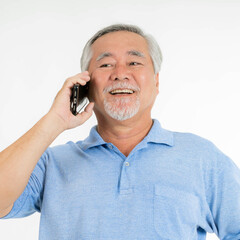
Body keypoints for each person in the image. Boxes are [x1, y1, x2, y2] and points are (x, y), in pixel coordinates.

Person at [0, 24, 240, 240]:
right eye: (105, 64)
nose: (120, 73)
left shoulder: (202, 158)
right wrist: (55, 120)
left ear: (156, 82)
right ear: (85, 84)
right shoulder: (52, 164)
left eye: (134, 62)